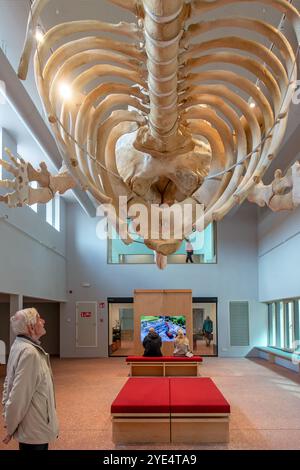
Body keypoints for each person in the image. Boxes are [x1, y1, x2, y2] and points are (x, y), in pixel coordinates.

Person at [2, 308, 59, 450]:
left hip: (32, 427)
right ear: (31, 327)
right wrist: (10, 426)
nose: (43, 321)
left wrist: (8, 417)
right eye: (39, 318)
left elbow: (8, 384)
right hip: (34, 429)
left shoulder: (19, 345)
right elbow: (18, 396)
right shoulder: (30, 353)